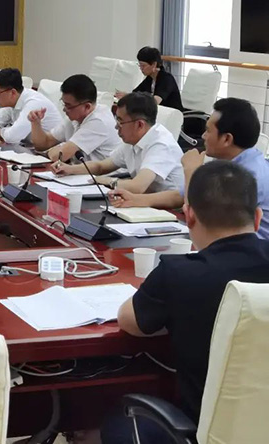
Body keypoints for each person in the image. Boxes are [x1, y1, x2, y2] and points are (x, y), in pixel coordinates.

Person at [102, 161, 269, 443]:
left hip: (206, 430)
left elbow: (129, 322)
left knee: (117, 423)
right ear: (257, 217)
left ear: (189, 216)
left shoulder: (178, 273)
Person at [110, 98, 269, 238]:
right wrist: (135, 199)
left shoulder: (249, 176)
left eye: (208, 131)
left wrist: (191, 171)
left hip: (253, 255)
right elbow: (179, 196)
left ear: (227, 139)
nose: (203, 136)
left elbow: (201, 221)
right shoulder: (231, 161)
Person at [53, 92, 184, 193]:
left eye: (121, 122)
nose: (116, 127)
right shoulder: (132, 140)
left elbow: (138, 186)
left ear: (139, 124)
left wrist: (107, 181)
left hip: (172, 210)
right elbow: (101, 166)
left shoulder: (161, 144)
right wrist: (69, 169)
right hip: (145, 200)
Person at [29, 74, 120, 161]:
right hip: (78, 169)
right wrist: (36, 123)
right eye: (64, 103)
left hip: (102, 172)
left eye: (68, 106)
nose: (64, 109)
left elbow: (59, 156)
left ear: (87, 106)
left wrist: (55, 150)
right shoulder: (75, 117)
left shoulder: (99, 121)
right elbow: (44, 144)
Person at [0, 68, 62, 144]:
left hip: (51, 150)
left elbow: (12, 137)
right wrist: (3, 132)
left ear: (13, 93)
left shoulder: (33, 103)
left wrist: (0, 131)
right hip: (29, 147)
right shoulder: (12, 102)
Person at [117, 46, 183, 111]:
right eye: (139, 65)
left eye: (143, 65)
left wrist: (131, 98)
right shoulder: (150, 78)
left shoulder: (167, 79)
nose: (141, 68)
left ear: (154, 64)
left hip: (172, 114)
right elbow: (136, 93)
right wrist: (127, 96)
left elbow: (155, 101)